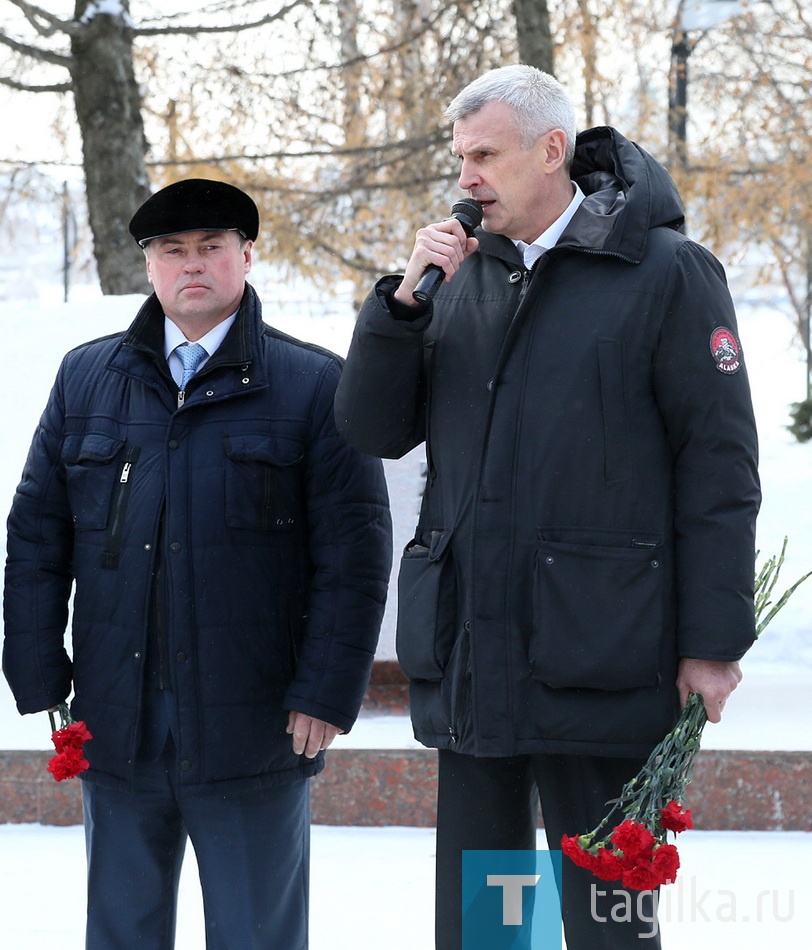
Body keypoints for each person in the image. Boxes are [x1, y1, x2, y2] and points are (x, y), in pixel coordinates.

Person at [334, 65, 760, 949]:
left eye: (484, 155)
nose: (467, 178)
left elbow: (719, 468)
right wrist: (399, 307)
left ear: (552, 149)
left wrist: (712, 645)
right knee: (488, 926)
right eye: (461, 158)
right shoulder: (456, 277)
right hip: (478, 666)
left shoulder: (665, 272)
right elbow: (375, 428)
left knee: (607, 924)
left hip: (600, 660)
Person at [2, 178, 392, 950]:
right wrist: (40, 673)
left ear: (246, 256)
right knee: (122, 932)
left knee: (256, 934)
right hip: (118, 722)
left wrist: (325, 690)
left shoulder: (314, 385)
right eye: (171, 250)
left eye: (211, 247)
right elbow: (37, 537)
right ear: (148, 265)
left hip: (255, 724)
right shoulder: (88, 380)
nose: (192, 265)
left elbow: (354, 555)